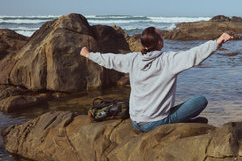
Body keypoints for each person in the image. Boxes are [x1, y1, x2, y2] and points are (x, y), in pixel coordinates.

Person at [80, 27, 233, 132]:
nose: (163, 37)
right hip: (155, 123)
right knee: (201, 101)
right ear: (159, 42)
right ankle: (176, 124)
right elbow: (193, 55)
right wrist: (217, 42)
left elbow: (111, 60)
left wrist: (88, 54)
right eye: (161, 35)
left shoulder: (133, 59)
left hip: (135, 121)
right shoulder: (168, 60)